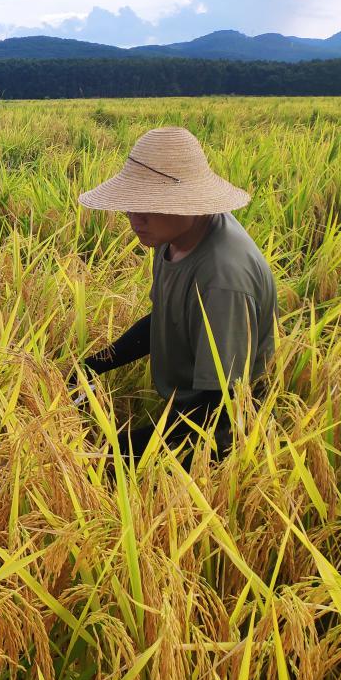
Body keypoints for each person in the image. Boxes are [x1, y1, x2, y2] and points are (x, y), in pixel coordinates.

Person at [75, 127, 277, 462]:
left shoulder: (223, 279)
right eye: (130, 204)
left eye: (148, 206)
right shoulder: (173, 234)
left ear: (186, 204)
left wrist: (122, 451)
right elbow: (166, 320)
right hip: (190, 407)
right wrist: (93, 366)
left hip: (222, 432)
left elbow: (222, 405)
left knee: (98, 469)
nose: (133, 218)